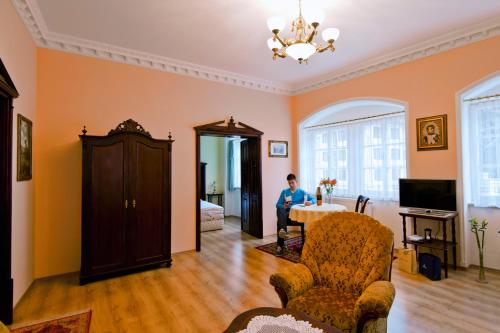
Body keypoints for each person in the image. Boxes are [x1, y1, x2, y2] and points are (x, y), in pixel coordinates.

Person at [275, 174, 315, 256]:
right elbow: (277, 204)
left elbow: (314, 199)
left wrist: (310, 202)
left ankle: (280, 245)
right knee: (280, 209)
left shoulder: (302, 192)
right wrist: (284, 205)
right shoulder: (285, 192)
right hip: (286, 212)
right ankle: (283, 232)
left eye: (292, 182)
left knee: (280, 222)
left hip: (296, 214)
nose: (291, 185)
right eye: (289, 183)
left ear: (296, 182)